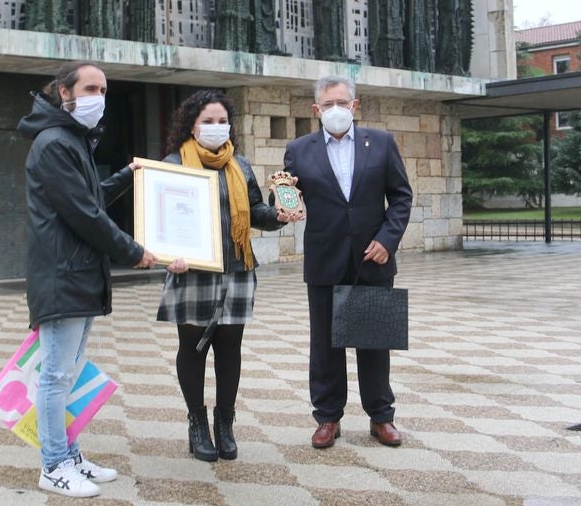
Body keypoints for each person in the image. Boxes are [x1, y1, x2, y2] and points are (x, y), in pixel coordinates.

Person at [17, 61, 156, 498]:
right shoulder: (54, 142)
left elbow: (88, 196)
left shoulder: (71, 139)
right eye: (90, 87)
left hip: (77, 276)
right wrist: (135, 252)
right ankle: (53, 465)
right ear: (65, 92)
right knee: (56, 376)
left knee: (69, 373)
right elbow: (84, 213)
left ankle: (69, 453)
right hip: (62, 278)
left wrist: (126, 178)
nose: (99, 96)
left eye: (103, 89)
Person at [159, 90, 302, 461]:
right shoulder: (174, 163)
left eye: (222, 120)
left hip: (237, 268)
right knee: (192, 349)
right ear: (191, 125)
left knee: (229, 349)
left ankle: (225, 423)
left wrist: (278, 216)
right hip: (192, 271)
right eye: (207, 120)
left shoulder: (239, 164)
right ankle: (197, 424)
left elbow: (255, 210)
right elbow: (161, 218)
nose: (216, 127)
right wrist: (164, 254)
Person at [283, 75, 413, 449]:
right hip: (324, 257)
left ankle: (381, 417)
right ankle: (327, 418)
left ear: (355, 106)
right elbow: (289, 196)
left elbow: (401, 197)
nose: (335, 110)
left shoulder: (382, 143)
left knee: (374, 342)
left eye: (342, 103)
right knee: (325, 345)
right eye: (327, 105)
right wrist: (284, 207)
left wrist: (388, 240)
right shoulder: (299, 149)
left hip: (372, 258)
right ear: (316, 110)